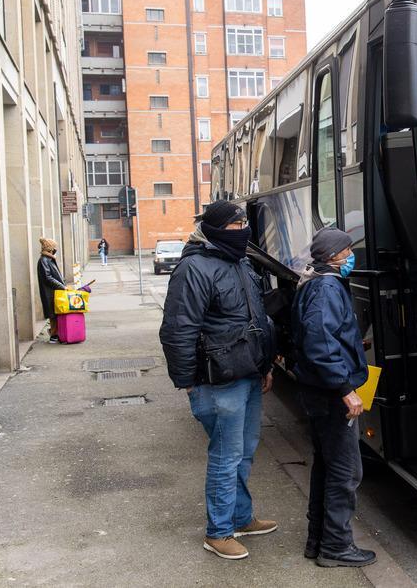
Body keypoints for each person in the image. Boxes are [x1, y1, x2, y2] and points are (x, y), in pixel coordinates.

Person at [159, 200, 276, 561]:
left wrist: (266, 365)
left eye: (244, 223)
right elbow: (177, 331)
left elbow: (258, 318)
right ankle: (219, 531)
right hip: (216, 380)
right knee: (226, 457)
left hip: (249, 373)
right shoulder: (194, 269)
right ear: (213, 229)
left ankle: (241, 517)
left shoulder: (239, 262)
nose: (243, 230)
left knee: (244, 452)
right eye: (235, 225)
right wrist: (188, 381)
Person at [291, 227, 375, 568]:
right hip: (330, 396)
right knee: (345, 472)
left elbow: (327, 337)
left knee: (327, 468)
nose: (351, 255)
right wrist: (346, 390)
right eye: (347, 251)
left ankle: (319, 541)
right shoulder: (326, 288)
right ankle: (337, 548)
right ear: (332, 257)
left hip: (319, 393)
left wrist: (355, 348)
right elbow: (319, 344)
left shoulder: (316, 283)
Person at [36, 238, 67, 344]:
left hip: (53, 291)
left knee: (55, 314)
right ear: (50, 249)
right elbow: (48, 278)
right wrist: (62, 286)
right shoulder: (44, 260)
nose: (55, 249)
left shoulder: (48, 259)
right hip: (50, 292)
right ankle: (53, 336)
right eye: (54, 247)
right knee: (53, 315)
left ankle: (54, 334)